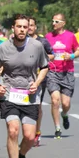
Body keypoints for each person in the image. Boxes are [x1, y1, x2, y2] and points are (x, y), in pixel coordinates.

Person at [0, 15, 48, 158]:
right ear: (13, 28)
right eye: (19, 27)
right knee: (13, 130)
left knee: (29, 136)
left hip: (29, 97)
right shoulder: (3, 48)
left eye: (25, 27)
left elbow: (44, 67)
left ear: (28, 28)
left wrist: (37, 83)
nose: (22, 30)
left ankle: (21, 155)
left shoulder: (37, 47)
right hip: (9, 95)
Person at [45, 13, 79, 139]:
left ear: (63, 23)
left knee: (65, 103)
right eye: (53, 21)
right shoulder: (48, 37)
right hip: (53, 72)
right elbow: (43, 52)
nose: (53, 23)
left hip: (67, 72)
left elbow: (78, 50)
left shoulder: (70, 36)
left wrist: (71, 56)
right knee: (55, 100)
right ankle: (57, 128)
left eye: (56, 21)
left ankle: (64, 114)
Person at [28, 17, 54, 146]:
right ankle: (28, 134)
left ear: (35, 27)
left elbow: (52, 54)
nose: (29, 28)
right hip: (23, 78)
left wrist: (40, 59)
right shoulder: (20, 41)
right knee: (25, 107)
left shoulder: (42, 41)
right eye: (27, 25)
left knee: (36, 106)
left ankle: (36, 132)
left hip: (39, 78)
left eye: (32, 25)